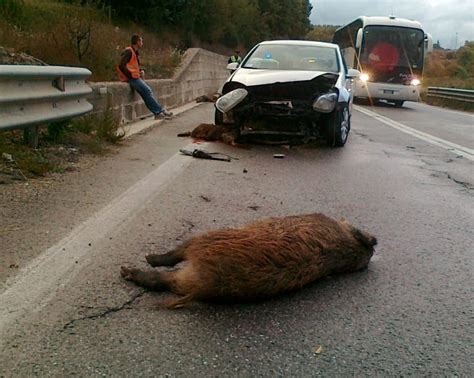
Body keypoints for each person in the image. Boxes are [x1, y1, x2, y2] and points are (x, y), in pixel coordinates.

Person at [116, 34, 173, 120]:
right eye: (141, 41)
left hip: (134, 77)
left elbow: (131, 65)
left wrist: (139, 71)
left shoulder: (134, 52)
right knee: (147, 91)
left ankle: (159, 112)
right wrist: (130, 75)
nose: (142, 43)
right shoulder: (129, 51)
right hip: (131, 78)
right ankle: (159, 112)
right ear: (137, 42)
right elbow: (121, 65)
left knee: (146, 93)